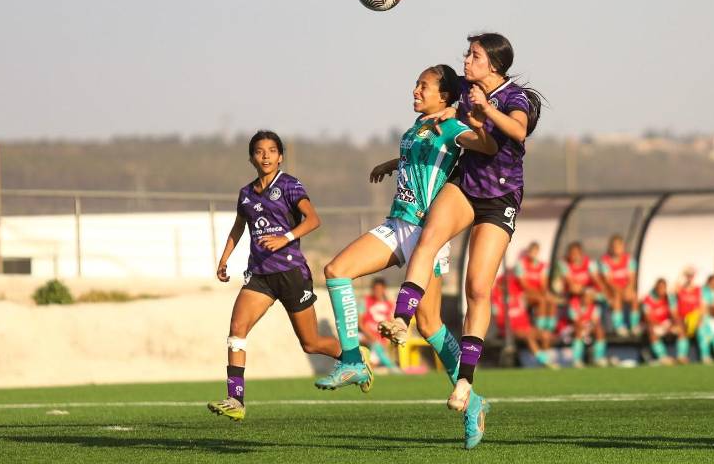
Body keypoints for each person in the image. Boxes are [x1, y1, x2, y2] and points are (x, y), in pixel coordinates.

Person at [380, 33, 543, 449]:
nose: (466, 61)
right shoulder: (470, 93)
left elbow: (518, 133)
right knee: (428, 239)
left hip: (500, 197)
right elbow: (451, 122)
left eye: (474, 56)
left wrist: (486, 109)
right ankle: (402, 317)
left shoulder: (514, 96)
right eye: (467, 55)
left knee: (476, 289)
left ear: (494, 64)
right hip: (467, 185)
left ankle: (466, 386)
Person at [315, 64, 497, 390]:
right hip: (398, 223)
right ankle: (354, 361)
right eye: (416, 84)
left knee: (429, 326)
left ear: (444, 96)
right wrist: (392, 164)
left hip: (426, 233)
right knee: (336, 270)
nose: (415, 90)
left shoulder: (451, 125)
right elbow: (420, 156)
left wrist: (479, 125)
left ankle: (470, 399)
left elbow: (484, 146)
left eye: (423, 86)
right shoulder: (419, 124)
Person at [207, 131, 345, 421]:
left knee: (311, 343)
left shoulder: (290, 185)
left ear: (280, 156)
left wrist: (285, 237)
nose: (266, 155)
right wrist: (224, 258)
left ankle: (355, 357)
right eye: (259, 151)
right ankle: (236, 399)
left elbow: (313, 219)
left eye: (272, 150)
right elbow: (238, 227)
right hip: (260, 275)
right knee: (236, 329)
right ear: (251, 158)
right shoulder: (246, 194)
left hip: (291, 272)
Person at [491, 271, 556, 368]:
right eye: (504, 284)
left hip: (525, 327)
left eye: (508, 284)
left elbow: (533, 298)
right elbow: (496, 317)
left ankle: (544, 358)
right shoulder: (496, 298)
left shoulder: (518, 295)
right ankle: (544, 362)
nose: (507, 286)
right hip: (509, 330)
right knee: (528, 336)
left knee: (545, 335)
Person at [514, 241, 557, 350]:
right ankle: (540, 329)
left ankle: (549, 329)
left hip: (537, 294)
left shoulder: (542, 265)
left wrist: (546, 294)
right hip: (525, 295)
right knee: (542, 301)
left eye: (535, 252)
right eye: (531, 252)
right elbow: (524, 285)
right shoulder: (521, 264)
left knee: (551, 301)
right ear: (528, 252)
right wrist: (540, 295)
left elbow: (543, 284)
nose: (533, 254)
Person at [600, 235, 640, 337]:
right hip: (611, 291)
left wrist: (628, 289)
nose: (617, 249)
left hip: (625, 289)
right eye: (614, 246)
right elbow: (608, 281)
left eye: (619, 246)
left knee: (633, 297)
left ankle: (634, 325)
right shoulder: (605, 261)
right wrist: (620, 291)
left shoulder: (629, 260)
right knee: (616, 297)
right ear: (610, 247)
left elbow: (632, 278)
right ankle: (619, 326)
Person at [642, 278, 687, 365]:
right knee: (651, 331)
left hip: (667, 323)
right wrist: (662, 326)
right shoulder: (648, 299)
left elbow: (674, 314)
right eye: (660, 288)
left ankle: (681, 357)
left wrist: (674, 323)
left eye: (664, 288)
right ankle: (663, 357)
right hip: (655, 325)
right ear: (656, 288)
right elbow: (648, 318)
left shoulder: (670, 298)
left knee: (681, 328)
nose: (662, 290)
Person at [358, 278, 399, 371]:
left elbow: (391, 324)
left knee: (373, 362)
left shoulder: (389, 305)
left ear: (384, 289)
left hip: (380, 338)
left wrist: (387, 338)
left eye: (380, 289)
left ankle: (387, 368)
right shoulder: (365, 301)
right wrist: (369, 335)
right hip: (363, 334)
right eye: (376, 289)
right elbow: (360, 323)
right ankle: (394, 369)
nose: (378, 292)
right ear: (372, 289)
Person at [671, 266, 704, 364]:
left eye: (691, 275)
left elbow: (701, 307)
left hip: (694, 319)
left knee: (701, 330)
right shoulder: (680, 289)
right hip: (682, 319)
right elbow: (672, 289)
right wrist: (682, 274)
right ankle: (681, 357)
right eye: (688, 275)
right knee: (682, 330)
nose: (689, 277)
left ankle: (705, 356)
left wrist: (699, 320)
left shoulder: (698, 289)